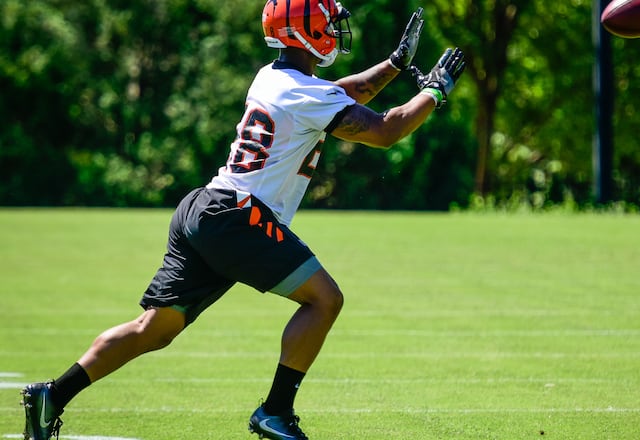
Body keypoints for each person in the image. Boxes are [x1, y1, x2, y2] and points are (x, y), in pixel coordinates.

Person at [20, 1, 465, 439]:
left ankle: (53, 395)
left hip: (205, 206)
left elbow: (341, 95)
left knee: (155, 328)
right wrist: (435, 91)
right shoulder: (307, 93)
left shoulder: (273, 77)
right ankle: (276, 411)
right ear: (308, 31)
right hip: (238, 215)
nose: (335, 29)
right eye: (329, 22)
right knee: (324, 300)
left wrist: (393, 64)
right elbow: (386, 130)